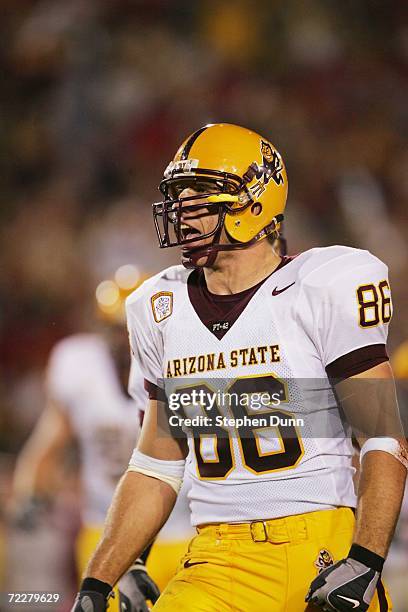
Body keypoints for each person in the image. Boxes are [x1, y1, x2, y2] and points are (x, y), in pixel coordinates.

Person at [72, 124, 407, 612]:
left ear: (256, 200)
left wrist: (364, 559)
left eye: (203, 195)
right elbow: (155, 467)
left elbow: (382, 437)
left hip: (319, 547)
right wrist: (99, 579)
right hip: (215, 557)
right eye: (179, 197)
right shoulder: (157, 307)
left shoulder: (321, 286)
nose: (185, 211)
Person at [11, 267, 192, 612]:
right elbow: (51, 437)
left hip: (183, 531)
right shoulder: (78, 364)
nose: (125, 340)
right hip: (106, 533)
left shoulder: (187, 363)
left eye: (133, 327)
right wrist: (30, 489)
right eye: (115, 329)